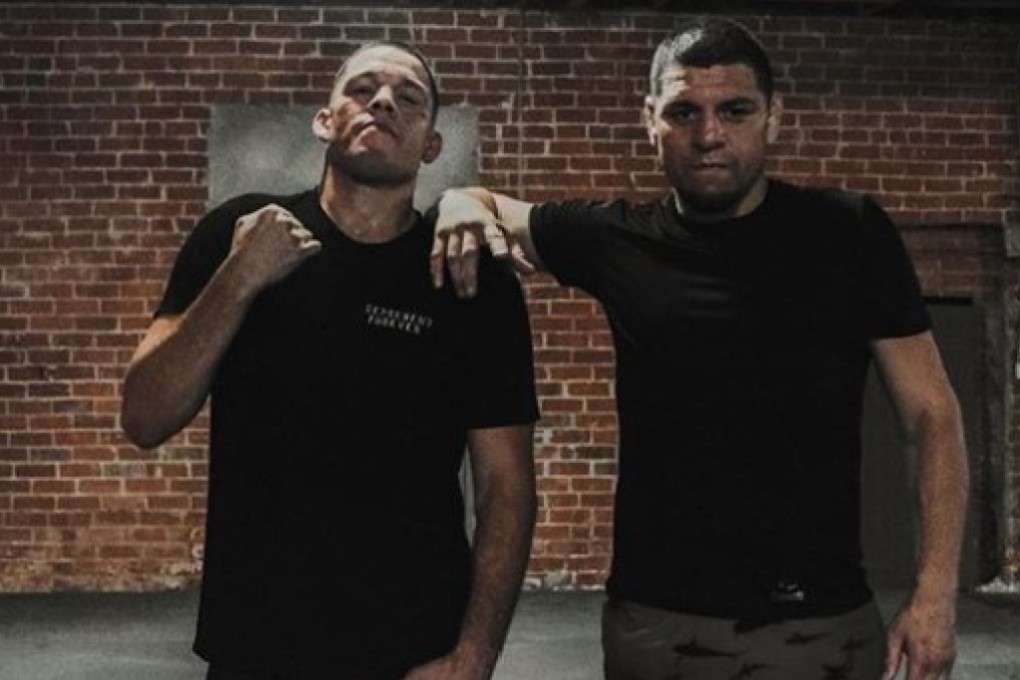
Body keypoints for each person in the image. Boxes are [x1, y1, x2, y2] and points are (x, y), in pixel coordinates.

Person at [431, 17, 968, 680]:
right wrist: (461, 199)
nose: (710, 135)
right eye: (685, 111)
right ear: (650, 119)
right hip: (656, 624)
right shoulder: (615, 239)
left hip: (817, 623)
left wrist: (936, 596)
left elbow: (932, 416)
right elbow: (491, 202)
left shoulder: (847, 232)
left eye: (734, 110)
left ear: (773, 118)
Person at [121, 41, 539, 680]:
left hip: (414, 650)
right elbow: (146, 417)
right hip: (255, 645)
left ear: (431, 144)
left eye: (409, 98)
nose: (383, 102)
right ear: (325, 120)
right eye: (363, 88)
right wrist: (239, 279)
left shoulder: (469, 275)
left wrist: (475, 657)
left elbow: (505, 487)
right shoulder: (238, 233)